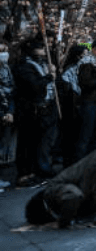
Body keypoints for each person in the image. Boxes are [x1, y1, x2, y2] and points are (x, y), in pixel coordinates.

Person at [14, 38, 59, 183]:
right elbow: (34, 86)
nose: (44, 50)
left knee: (35, 142)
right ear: (31, 49)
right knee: (26, 143)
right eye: (40, 47)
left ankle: (33, 172)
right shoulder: (24, 66)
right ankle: (23, 174)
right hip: (28, 110)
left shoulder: (42, 64)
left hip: (41, 109)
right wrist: (48, 77)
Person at [0, 43, 16, 189]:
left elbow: (11, 91)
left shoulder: (6, 69)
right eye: (1, 51)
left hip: (5, 111)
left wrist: (9, 112)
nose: (4, 54)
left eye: (6, 50)